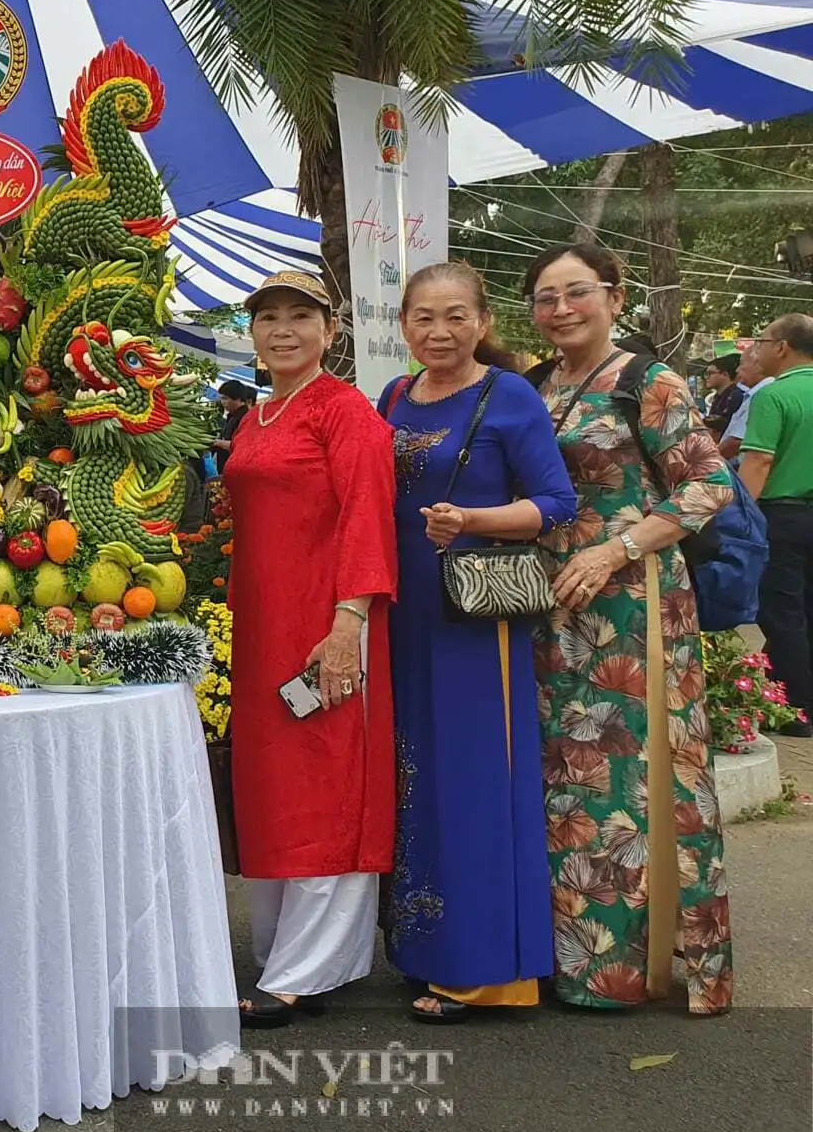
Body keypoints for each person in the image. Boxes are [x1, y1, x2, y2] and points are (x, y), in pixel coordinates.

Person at [525, 242, 735, 1015]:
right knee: (570, 777)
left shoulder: (649, 379)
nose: (561, 310)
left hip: (634, 602)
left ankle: (651, 964)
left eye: (577, 292)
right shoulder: (537, 386)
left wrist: (618, 548)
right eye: (546, 298)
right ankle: (578, 959)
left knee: (639, 777)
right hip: (554, 604)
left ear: (614, 297)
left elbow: (710, 486)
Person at [379, 263, 578, 1023]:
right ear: (403, 323)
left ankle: (488, 969)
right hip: (405, 610)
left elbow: (557, 503)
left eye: (456, 316)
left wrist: (472, 520)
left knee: (475, 778)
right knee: (414, 774)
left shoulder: (510, 394)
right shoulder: (394, 398)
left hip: (475, 615)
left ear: (483, 320)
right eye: (424, 317)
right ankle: (425, 949)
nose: (439, 331)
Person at [222, 271, 398, 1028]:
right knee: (277, 788)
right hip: (263, 631)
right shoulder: (259, 414)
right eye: (268, 319)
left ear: (331, 332)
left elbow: (367, 518)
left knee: (327, 784)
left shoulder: (345, 411)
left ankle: (306, 971)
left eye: (301, 317)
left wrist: (348, 624)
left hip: (327, 626)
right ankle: (285, 955)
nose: (283, 330)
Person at [739, 313, 813, 737]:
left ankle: (795, 709)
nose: (757, 348)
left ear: (782, 346)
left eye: (762, 340)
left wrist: (739, 519)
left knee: (782, 613)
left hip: (783, 516)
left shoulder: (773, 396)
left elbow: (759, 461)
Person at [721, 343, 771, 465]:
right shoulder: (753, 394)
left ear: (758, 365)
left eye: (742, 364)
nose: (737, 370)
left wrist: (711, 461)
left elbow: (737, 441)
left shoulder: (763, 394)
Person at [210, 379, 255, 471]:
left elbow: (243, 446)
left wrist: (219, 443)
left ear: (238, 399)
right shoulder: (232, 416)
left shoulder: (246, 418)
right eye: (221, 398)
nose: (222, 402)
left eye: (225, 398)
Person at [702, 353, 747, 440]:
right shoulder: (717, 397)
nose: (706, 377)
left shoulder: (736, 396)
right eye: (705, 374)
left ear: (724, 375)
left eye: (710, 373)